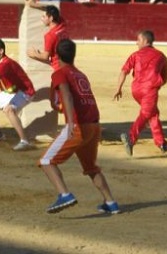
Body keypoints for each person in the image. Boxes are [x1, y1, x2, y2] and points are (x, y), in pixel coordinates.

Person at [38, 39, 120, 214]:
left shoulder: (60, 73)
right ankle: (111, 203)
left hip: (78, 126)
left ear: (57, 56)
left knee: (46, 161)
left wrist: (69, 123)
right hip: (94, 126)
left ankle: (64, 194)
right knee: (91, 167)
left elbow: (66, 96)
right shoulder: (81, 74)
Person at [114, 30, 167, 156]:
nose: (136, 43)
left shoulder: (135, 55)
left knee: (153, 113)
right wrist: (158, 84)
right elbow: (165, 77)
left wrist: (119, 88)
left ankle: (162, 143)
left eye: (138, 40)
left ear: (146, 41)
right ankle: (131, 136)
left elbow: (124, 71)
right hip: (149, 90)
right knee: (146, 113)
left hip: (135, 90)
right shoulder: (161, 56)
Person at [26, 1, 69, 71]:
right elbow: (53, 10)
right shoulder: (62, 23)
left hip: (58, 69)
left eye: (44, 17)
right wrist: (34, 5)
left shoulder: (50, 36)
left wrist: (33, 54)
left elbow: (45, 57)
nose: (42, 19)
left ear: (51, 18)